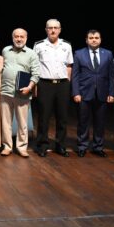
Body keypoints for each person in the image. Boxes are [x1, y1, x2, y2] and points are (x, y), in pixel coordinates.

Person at [71, 30, 114, 158]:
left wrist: (111, 93)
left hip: (102, 93)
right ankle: (82, 146)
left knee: (100, 123)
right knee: (83, 122)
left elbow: (111, 76)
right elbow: (75, 75)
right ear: (86, 40)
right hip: (84, 93)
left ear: (100, 40)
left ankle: (98, 147)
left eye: (96, 37)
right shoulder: (79, 54)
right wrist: (76, 92)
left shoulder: (107, 54)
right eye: (91, 38)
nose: (94, 40)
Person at [33, 18, 73, 157]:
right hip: (45, 84)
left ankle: (60, 146)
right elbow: (35, 67)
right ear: (46, 29)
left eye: (56, 28)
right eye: (50, 28)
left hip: (62, 84)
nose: (53, 30)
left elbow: (69, 65)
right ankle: (42, 145)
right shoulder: (38, 45)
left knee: (62, 117)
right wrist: (35, 86)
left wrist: (67, 82)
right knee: (44, 117)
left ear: (60, 29)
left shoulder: (66, 45)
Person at [0, 28, 39, 157]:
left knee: (22, 122)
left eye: (22, 37)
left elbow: (36, 73)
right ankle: (7, 146)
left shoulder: (31, 53)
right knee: (5, 122)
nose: (19, 39)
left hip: (23, 93)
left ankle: (22, 147)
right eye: (16, 36)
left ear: (26, 38)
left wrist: (30, 87)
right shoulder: (5, 51)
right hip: (5, 91)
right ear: (12, 38)